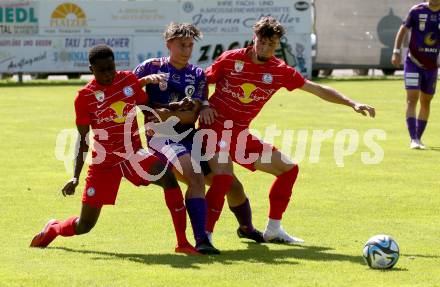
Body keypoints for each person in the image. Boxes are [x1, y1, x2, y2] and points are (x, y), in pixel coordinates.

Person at [198, 16, 375, 244]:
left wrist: (352, 103)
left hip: (239, 135)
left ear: (277, 44)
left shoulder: (279, 71)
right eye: (262, 41)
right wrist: (203, 104)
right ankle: (206, 236)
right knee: (224, 180)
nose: (266, 47)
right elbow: (202, 80)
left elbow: (317, 89)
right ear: (255, 38)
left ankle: (273, 229)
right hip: (214, 130)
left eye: (271, 44)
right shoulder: (232, 59)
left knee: (288, 169)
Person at [30, 44, 198, 255]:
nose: (109, 74)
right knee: (85, 226)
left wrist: (175, 106)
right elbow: (83, 139)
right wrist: (75, 177)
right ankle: (54, 228)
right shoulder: (84, 97)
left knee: (168, 179)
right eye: (102, 70)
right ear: (91, 69)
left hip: (133, 154)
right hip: (104, 163)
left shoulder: (127, 80)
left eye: (111, 68)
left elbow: (148, 107)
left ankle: (182, 243)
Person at [133, 23, 220, 254]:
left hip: (188, 134)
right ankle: (200, 240)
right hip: (161, 137)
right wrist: (145, 90)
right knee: (195, 177)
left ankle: (203, 239)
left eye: (190, 45)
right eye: (182, 45)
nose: (187, 50)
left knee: (216, 179)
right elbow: (128, 95)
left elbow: (193, 114)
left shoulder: (198, 75)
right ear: (168, 43)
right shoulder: (149, 68)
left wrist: (167, 113)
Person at [391, 0, 440, 149]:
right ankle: (413, 139)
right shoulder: (416, 10)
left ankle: (418, 138)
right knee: (412, 99)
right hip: (413, 62)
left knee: (426, 101)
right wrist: (396, 51)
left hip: (432, 66)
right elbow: (403, 30)